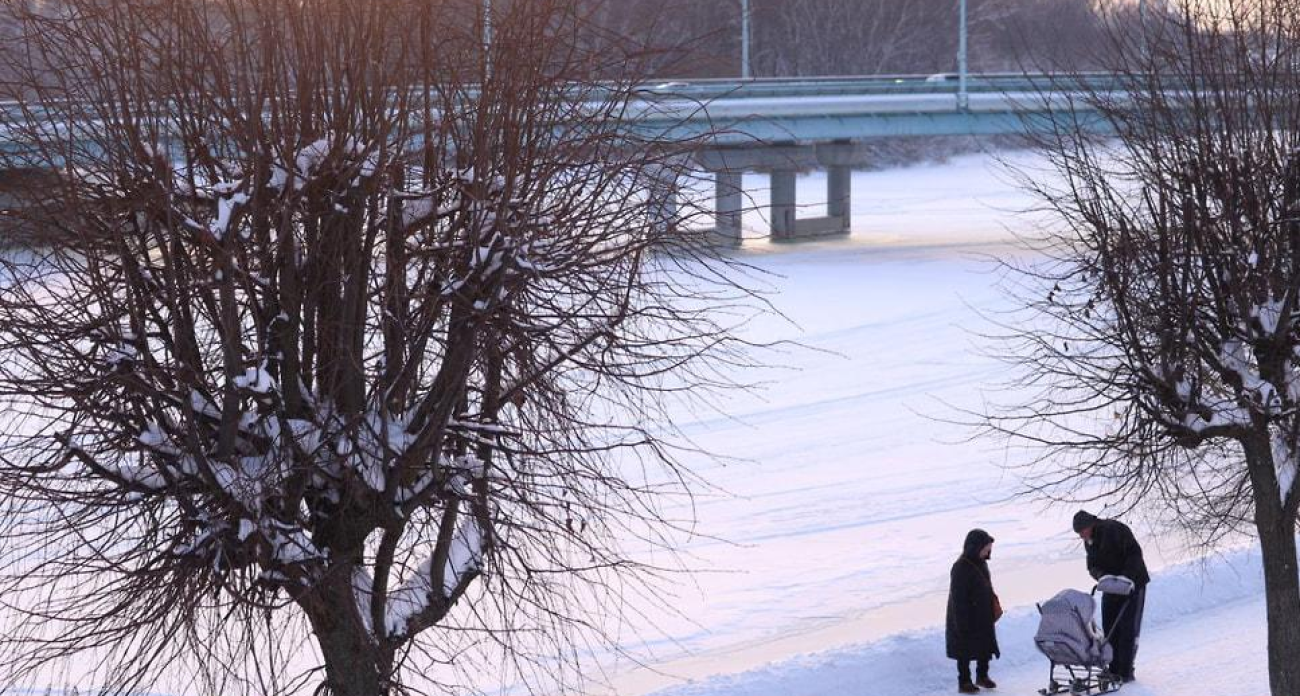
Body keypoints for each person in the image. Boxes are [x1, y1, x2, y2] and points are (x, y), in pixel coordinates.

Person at [1072, 510, 1150, 684]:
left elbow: (1134, 554)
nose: (1081, 536)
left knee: (1127, 628)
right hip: (1111, 586)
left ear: (1090, 525)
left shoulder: (1113, 529)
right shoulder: (1089, 541)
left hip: (1132, 583)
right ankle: (1113, 668)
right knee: (1110, 628)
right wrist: (1102, 577)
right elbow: (1092, 565)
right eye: (1079, 534)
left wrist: (1126, 577)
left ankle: (1126, 670)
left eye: (1082, 531)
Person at [946, 529, 1000, 693]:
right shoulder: (960, 567)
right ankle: (964, 681)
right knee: (964, 648)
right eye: (986, 547)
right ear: (975, 547)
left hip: (982, 613)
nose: (988, 550)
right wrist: (961, 622)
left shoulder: (981, 563)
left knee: (984, 645)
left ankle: (982, 676)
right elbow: (958, 598)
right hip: (965, 614)